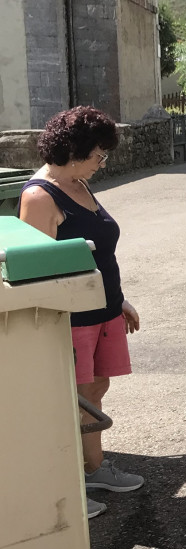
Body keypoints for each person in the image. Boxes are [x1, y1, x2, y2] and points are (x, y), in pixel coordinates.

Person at [19, 106, 143, 520]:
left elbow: (99, 252)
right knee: (71, 399)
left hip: (103, 312)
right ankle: (68, 482)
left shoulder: (78, 183)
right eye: (99, 154)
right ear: (75, 151)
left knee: (95, 390)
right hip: (71, 320)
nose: (102, 162)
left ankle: (94, 468)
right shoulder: (40, 196)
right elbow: (38, 276)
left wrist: (118, 299)